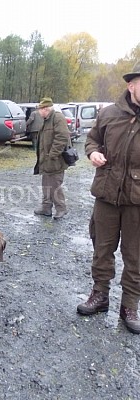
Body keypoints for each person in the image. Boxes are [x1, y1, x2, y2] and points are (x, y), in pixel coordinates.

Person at [77, 61, 140, 334]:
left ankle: (130, 306)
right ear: (131, 85)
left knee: (135, 255)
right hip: (106, 194)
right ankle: (100, 295)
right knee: (102, 249)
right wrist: (92, 152)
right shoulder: (109, 114)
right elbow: (91, 140)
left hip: (137, 200)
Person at [33, 97, 70, 219]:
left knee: (55, 185)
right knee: (46, 184)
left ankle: (61, 208)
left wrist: (53, 155)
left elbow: (62, 138)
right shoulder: (47, 119)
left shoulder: (57, 118)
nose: (38, 112)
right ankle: (46, 208)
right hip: (46, 160)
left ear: (46, 109)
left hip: (56, 161)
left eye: (40, 109)